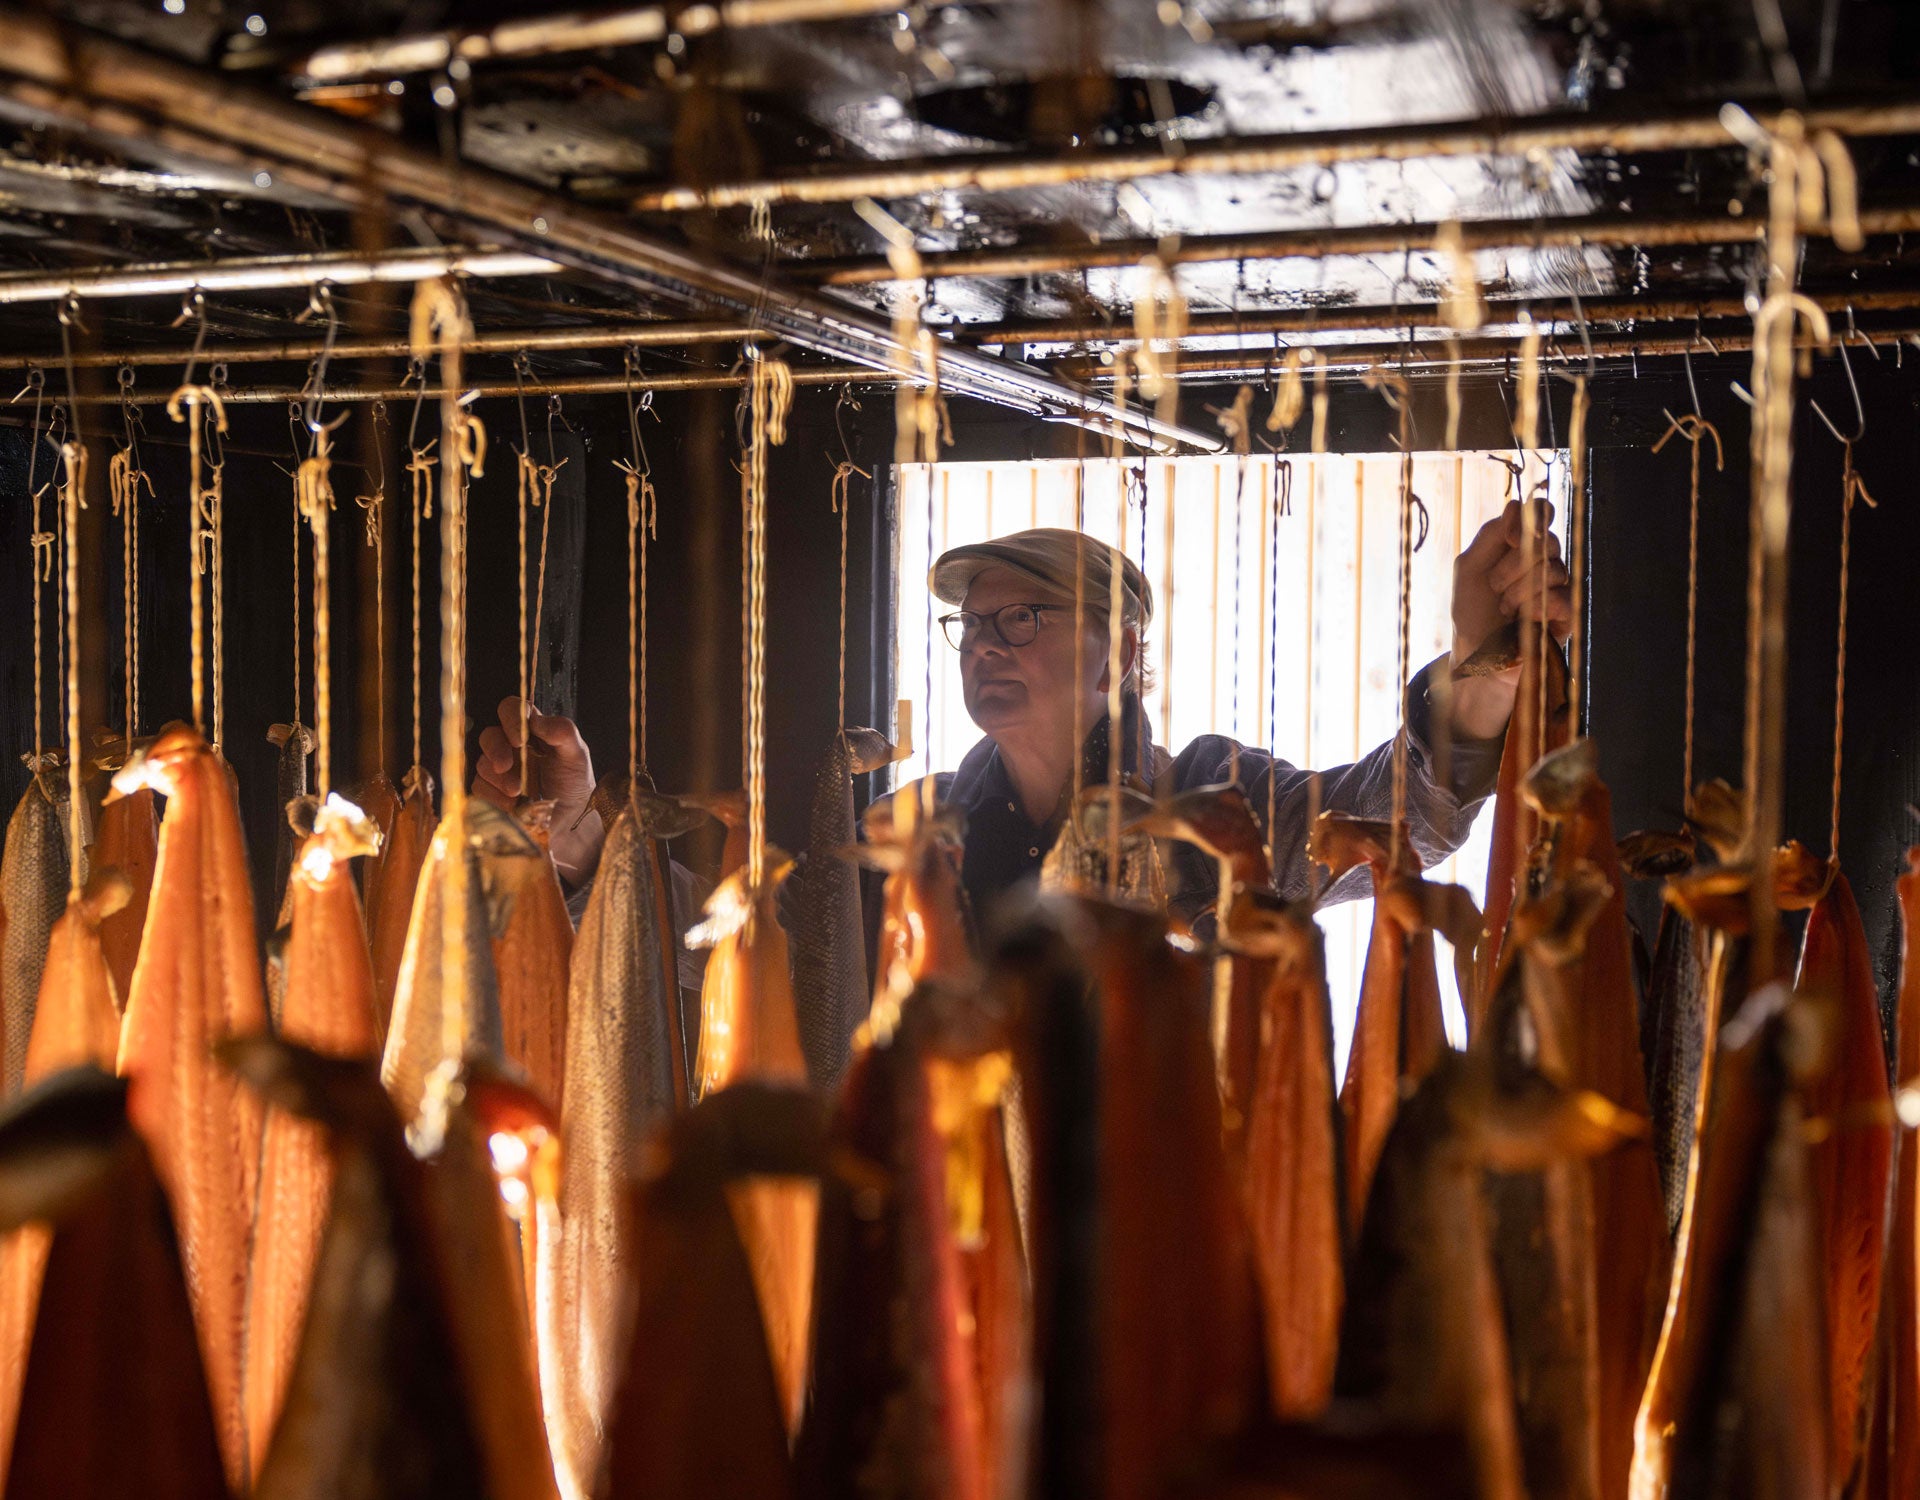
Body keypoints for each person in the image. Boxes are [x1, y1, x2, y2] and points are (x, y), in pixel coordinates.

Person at [471, 501, 1570, 924]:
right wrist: (579, 847)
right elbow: (764, 946)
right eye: (974, 629)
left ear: (1125, 648)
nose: (988, 649)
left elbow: (1406, 821)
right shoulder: (919, 825)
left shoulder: (1220, 799)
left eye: (1023, 621)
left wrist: (1483, 665)